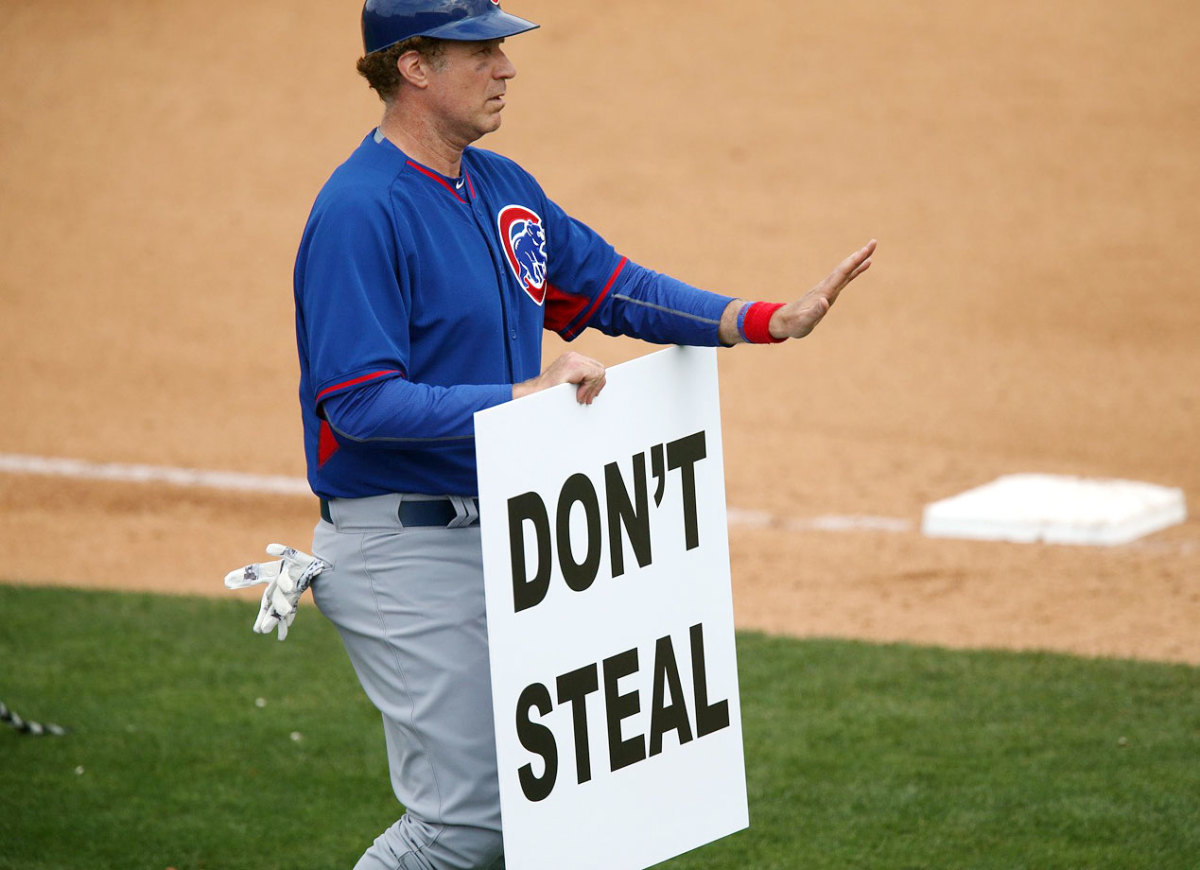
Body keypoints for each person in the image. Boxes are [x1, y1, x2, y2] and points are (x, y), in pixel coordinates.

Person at [242, 1, 875, 868]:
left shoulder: (501, 188)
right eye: (482, 52)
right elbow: (358, 404)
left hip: (507, 534)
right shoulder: (362, 212)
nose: (506, 68)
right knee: (467, 826)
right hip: (402, 547)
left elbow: (614, 288)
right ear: (415, 68)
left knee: (565, 809)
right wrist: (523, 396)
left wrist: (761, 319)